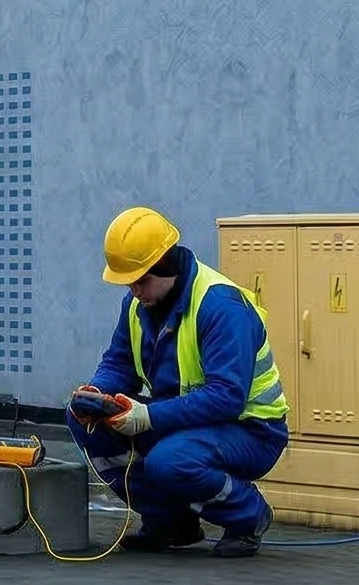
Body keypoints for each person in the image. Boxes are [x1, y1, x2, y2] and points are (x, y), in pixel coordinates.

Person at [67, 206, 289, 558]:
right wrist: (97, 393)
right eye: (129, 282)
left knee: (170, 462)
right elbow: (119, 362)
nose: (134, 290)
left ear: (166, 266)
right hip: (186, 419)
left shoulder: (221, 307)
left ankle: (248, 516)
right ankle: (170, 523)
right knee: (85, 422)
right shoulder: (138, 303)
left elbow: (227, 398)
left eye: (141, 280)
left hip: (250, 430)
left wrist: (148, 417)